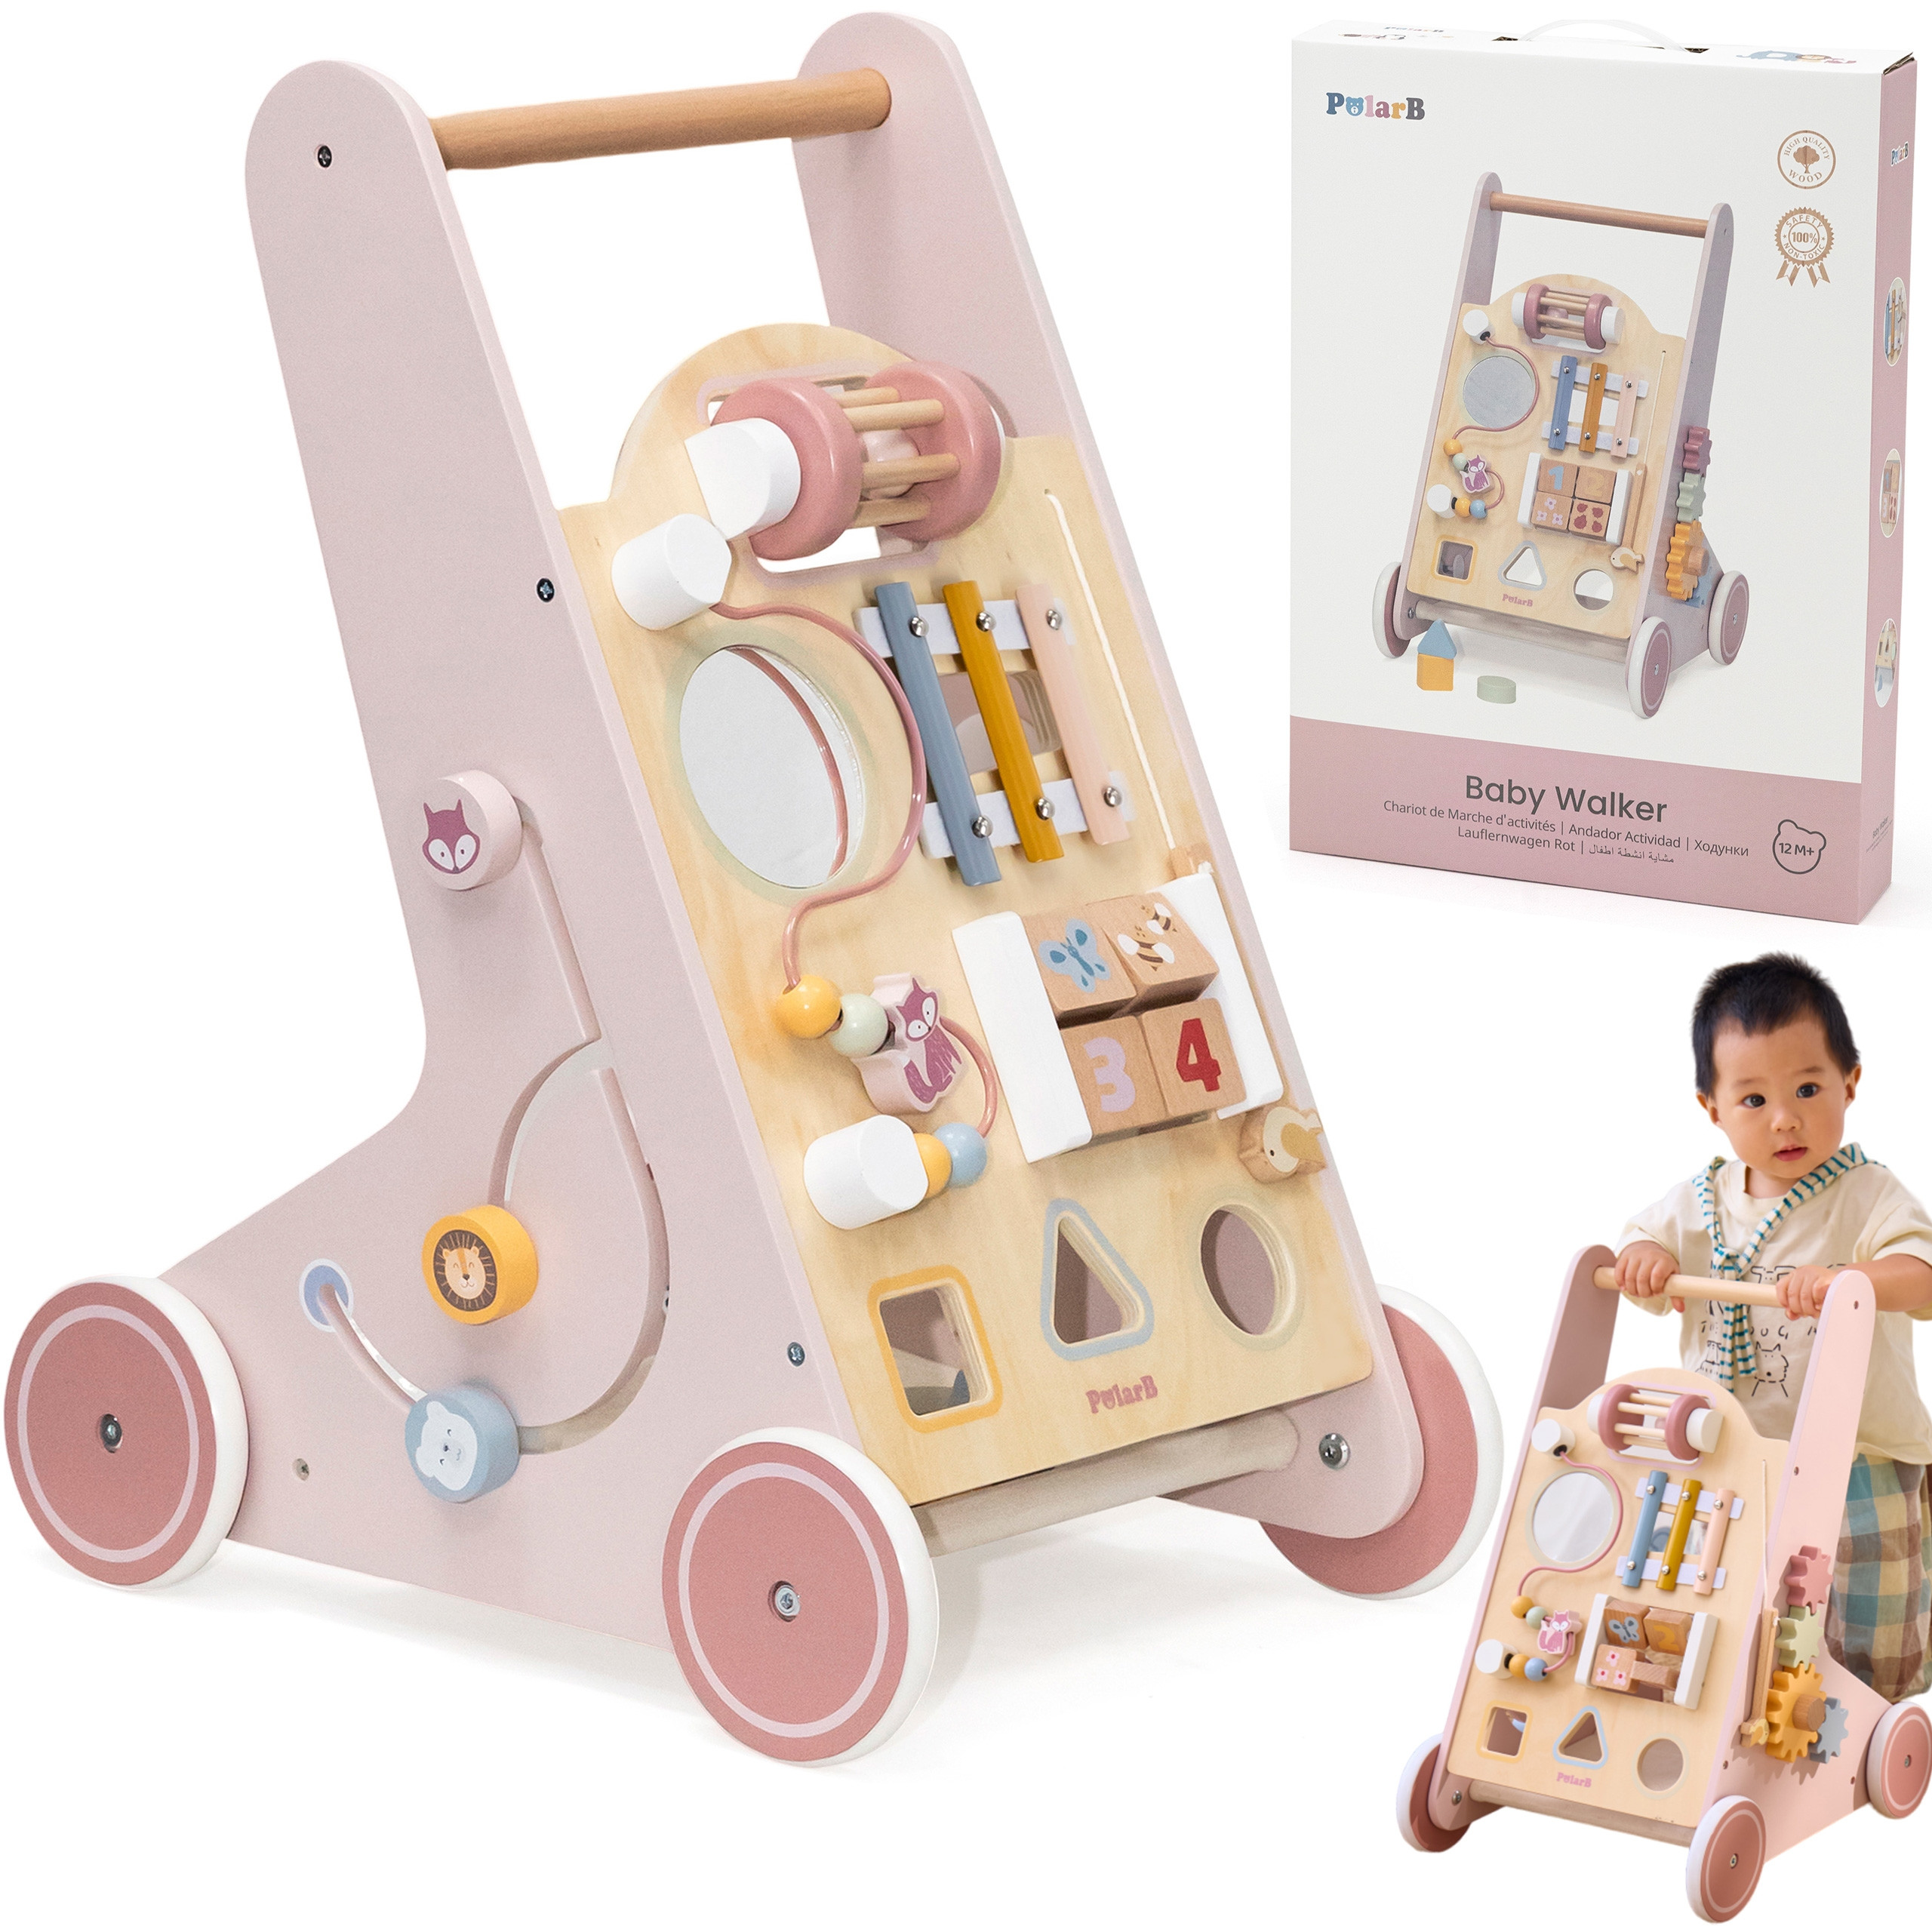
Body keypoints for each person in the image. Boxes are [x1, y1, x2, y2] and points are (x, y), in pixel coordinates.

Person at [1614, 952, 1932, 1701]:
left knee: (1868, 1603)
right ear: (1712, 1108)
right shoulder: (1698, 1200)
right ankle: (1734, 1699)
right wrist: (1644, 1259)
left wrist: (1850, 1280)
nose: (1784, 1118)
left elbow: (1921, 1276)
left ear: (1850, 1083)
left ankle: (1872, 1715)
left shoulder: (1866, 1193)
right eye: (1753, 1099)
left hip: (1860, 1452)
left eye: (1808, 1089)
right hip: (1731, 1451)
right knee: (1726, 1587)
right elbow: (1638, 1241)